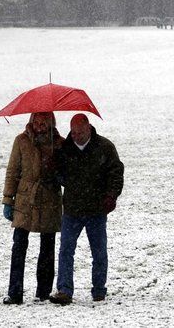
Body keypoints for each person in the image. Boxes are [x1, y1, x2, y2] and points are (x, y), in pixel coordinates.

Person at [49, 114, 124, 305]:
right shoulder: (64, 149)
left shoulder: (105, 147)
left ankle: (99, 290)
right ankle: (64, 290)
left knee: (99, 252)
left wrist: (111, 196)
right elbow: (59, 175)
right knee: (66, 250)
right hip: (72, 210)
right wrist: (56, 170)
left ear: (88, 128)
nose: (76, 136)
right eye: (73, 132)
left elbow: (116, 172)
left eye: (80, 132)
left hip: (96, 210)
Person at [1, 111, 63, 305]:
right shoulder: (20, 141)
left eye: (43, 122)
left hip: (50, 198)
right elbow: (13, 171)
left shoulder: (59, 143)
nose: (39, 125)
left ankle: (43, 293)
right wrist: (7, 199)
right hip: (25, 199)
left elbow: (65, 172)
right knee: (19, 245)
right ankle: (15, 292)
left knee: (47, 247)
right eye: (36, 121)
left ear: (51, 122)